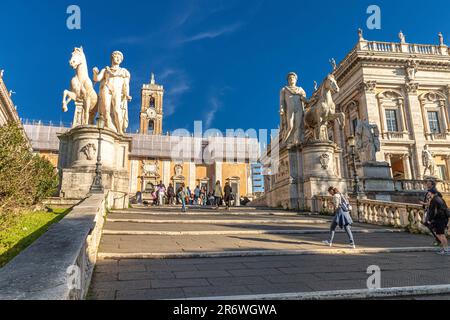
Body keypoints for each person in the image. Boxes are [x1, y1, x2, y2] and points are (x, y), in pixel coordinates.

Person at [426, 189, 449, 255]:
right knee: (439, 234)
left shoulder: (434, 200)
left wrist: (429, 220)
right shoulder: (440, 199)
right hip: (443, 218)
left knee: (441, 234)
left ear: (432, 193)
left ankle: (446, 249)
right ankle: (444, 249)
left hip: (440, 218)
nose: (428, 194)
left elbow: (432, 211)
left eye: (429, 193)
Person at [420, 180, 442, 246]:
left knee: (431, 225)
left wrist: (423, 203)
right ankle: (438, 239)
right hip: (428, 210)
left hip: (432, 211)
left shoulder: (434, 191)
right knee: (428, 224)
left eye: (428, 184)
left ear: (432, 185)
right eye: (427, 183)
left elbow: (433, 202)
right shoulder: (429, 191)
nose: (427, 184)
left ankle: (439, 240)